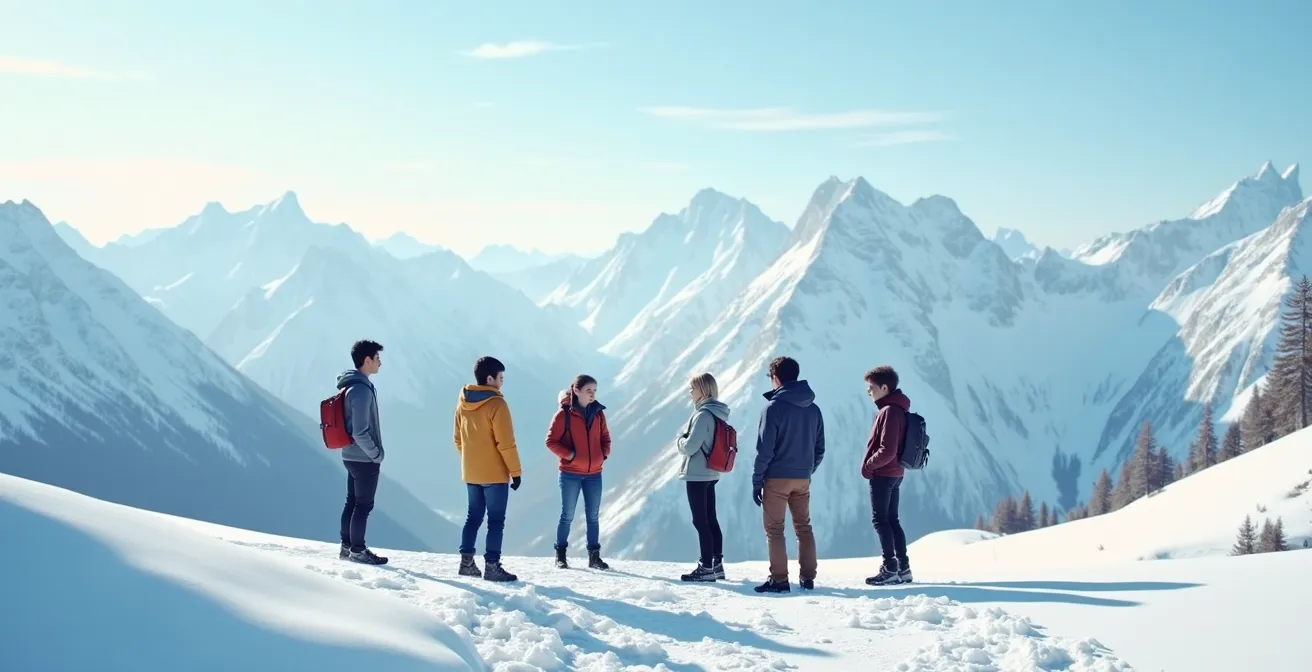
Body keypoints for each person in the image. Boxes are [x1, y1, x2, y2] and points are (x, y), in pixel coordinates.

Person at [751, 356, 825, 593]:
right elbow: (820, 448)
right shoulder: (814, 409)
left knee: (775, 530)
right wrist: (806, 469)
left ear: (776, 378)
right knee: (804, 527)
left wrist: (757, 480)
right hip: (803, 478)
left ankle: (780, 580)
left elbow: (764, 450)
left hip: (776, 478)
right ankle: (808, 578)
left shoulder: (773, 408)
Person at [453, 356, 522, 582]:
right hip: (494, 474)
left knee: (473, 517)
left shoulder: (463, 400)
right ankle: (492, 566)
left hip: (471, 472)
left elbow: (457, 438)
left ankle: (466, 563)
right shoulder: (497, 404)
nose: (502, 383)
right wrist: (516, 472)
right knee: (495, 520)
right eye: (500, 378)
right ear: (489, 378)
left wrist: (471, 459)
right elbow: (506, 443)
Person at [546, 374, 612, 570]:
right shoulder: (564, 415)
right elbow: (551, 441)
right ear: (576, 391)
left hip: (594, 474)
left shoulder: (598, 414)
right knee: (567, 515)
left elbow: (606, 438)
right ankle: (561, 556)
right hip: (570, 474)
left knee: (593, 517)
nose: (592, 395)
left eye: (594, 391)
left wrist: (602, 455)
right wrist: (570, 456)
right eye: (588, 391)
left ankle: (594, 557)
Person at [860, 365, 913, 585]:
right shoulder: (897, 409)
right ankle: (903, 567)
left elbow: (887, 449)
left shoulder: (890, 411)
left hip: (883, 473)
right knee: (892, 520)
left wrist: (868, 466)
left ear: (884, 387)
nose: (868, 392)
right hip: (895, 472)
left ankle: (890, 568)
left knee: (880, 520)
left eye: (871, 387)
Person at [337, 339, 388, 565]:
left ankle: (346, 547)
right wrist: (376, 454)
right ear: (367, 360)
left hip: (350, 454)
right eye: (377, 358)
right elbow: (360, 431)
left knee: (352, 501)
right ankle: (357, 550)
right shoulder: (361, 390)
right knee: (363, 505)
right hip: (363, 457)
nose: (380, 363)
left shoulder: (351, 385)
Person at [675, 372, 730, 582]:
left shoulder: (703, 415)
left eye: (692, 388)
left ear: (703, 390)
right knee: (711, 519)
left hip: (697, 473)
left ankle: (705, 566)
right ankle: (717, 564)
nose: (690, 392)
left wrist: (680, 439)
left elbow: (690, 447)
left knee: (700, 521)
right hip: (711, 472)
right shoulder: (718, 413)